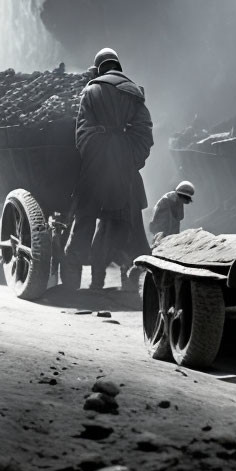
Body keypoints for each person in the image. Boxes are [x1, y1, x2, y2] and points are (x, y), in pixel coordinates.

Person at [62, 48, 154, 290]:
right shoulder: (134, 93)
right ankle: (130, 280)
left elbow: (81, 133)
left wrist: (96, 154)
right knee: (125, 223)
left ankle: (72, 280)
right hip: (125, 167)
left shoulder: (91, 91)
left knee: (84, 219)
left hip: (95, 166)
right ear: (117, 66)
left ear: (99, 67)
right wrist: (130, 158)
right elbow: (144, 134)